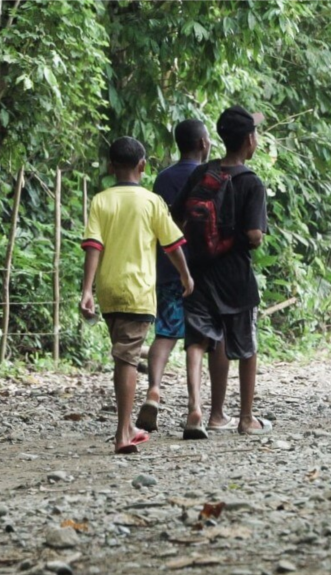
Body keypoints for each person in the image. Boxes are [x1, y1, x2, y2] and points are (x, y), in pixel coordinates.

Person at [80, 136, 195, 454]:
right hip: (138, 291)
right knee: (127, 360)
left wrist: (87, 290)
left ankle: (128, 426)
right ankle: (122, 434)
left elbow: (93, 246)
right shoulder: (152, 202)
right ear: (143, 166)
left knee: (123, 355)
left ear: (109, 166)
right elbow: (172, 245)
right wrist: (186, 275)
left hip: (109, 291)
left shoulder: (101, 201)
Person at [171, 106, 271, 437]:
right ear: (248, 141)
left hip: (199, 271)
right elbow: (255, 236)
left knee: (199, 341)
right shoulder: (251, 182)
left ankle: (199, 411)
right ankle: (245, 418)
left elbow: (177, 218)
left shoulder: (202, 174)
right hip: (235, 276)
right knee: (245, 344)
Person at [136, 119, 234, 433]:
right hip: (204, 271)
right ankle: (197, 408)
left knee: (165, 333)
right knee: (202, 339)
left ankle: (154, 390)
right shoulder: (212, 176)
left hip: (167, 268)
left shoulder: (163, 179)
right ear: (205, 143)